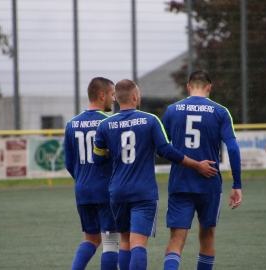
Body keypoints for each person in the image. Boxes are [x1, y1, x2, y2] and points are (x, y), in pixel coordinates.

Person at [92, 79, 218, 270]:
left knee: (125, 241)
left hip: (117, 191)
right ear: (135, 96)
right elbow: (167, 151)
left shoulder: (105, 125)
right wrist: (196, 165)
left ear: (116, 98)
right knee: (138, 243)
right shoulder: (150, 120)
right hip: (143, 192)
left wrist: (115, 154)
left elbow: (98, 158)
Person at [161, 70, 242, 270]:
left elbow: (163, 148)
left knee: (176, 239)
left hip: (180, 182)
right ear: (209, 88)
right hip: (210, 183)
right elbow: (232, 148)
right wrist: (237, 184)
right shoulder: (220, 111)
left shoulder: (172, 110)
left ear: (188, 87)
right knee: (207, 236)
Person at [64, 77, 119, 270]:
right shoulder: (110, 122)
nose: (114, 99)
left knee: (92, 238)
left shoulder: (71, 124)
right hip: (105, 189)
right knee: (110, 240)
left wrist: (83, 179)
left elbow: (69, 163)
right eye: (112, 94)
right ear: (102, 95)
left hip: (83, 190)